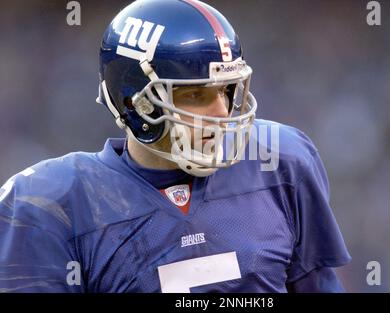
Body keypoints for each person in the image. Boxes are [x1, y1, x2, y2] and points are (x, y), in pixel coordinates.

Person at [0, 0, 350, 292]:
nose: (222, 112)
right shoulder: (54, 203)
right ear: (136, 102)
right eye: (196, 95)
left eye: (226, 91)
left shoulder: (281, 160)